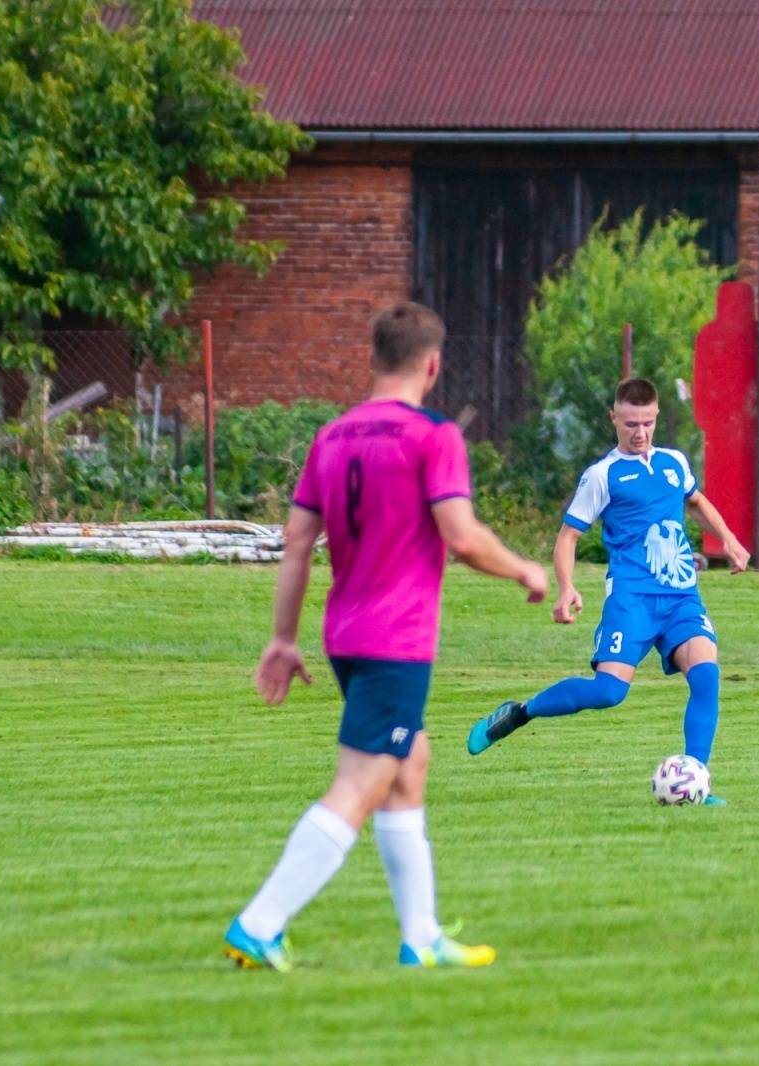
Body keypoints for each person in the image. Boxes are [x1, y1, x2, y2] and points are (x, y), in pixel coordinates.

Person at [224, 302, 548, 972]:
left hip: (344, 633)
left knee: (410, 763)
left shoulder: (331, 437)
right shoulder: (432, 436)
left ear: (373, 360)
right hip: (395, 639)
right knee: (362, 781)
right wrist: (525, 569)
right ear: (432, 366)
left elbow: (295, 542)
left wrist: (284, 639)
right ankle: (260, 923)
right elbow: (461, 537)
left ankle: (421, 936)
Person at [464, 378, 751, 802]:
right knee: (608, 692)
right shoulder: (603, 475)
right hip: (631, 599)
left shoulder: (674, 462)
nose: (640, 433)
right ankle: (520, 713)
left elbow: (694, 502)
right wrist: (566, 589)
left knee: (706, 676)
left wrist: (726, 537)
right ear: (614, 418)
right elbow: (567, 538)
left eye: (648, 423)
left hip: (680, 597)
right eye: (631, 423)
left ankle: (697, 783)